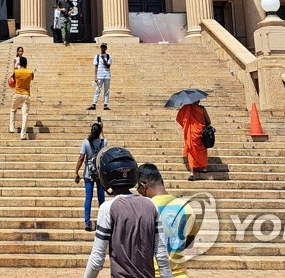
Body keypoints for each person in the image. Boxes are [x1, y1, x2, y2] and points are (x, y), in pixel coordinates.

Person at [84, 146, 172, 278]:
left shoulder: (108, 208)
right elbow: (161, 255)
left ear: (105, 175)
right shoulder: (151, 205)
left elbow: (97, 259)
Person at [137, 162, 199, 278]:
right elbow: (189, 243)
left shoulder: (143, 208)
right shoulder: (186, 207)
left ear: (143, 186)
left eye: (139, 190)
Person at [74, 119, 108, 231]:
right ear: (100, 131)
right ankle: (102, 222)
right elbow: (102, 140)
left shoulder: (86, 142)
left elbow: (81, 158)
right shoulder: (104, 142)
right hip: (100, 173)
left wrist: (76, 172)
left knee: (88, 197)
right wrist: (101, 128)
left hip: (89, 173)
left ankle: (87, 223)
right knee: (101, 198)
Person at [176, 100, 210, 181]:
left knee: (191, 151)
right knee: (202, 150)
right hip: (201, 133)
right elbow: (209, 121)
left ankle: (191, 172)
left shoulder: (187, 108)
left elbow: (179, 118)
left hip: (191, 133)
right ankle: (204, 167)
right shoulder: (202, 109)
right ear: (198, 101)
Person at [9, 55, 34, 140]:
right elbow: (32, 78)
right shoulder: (30, 72)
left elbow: (12, 80)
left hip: (17, 93)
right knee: (25, 115)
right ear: (26, 64)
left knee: (13, 110)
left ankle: (12, 128)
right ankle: (23, 135)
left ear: (19, 64)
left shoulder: (16, 72)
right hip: (26, 94)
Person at [89, 42, 112, 111]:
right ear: (100, 48)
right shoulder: (97, 56)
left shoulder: (109, 56)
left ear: (106, 48)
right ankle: (94, 104)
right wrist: (95, 77)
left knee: (106, 90)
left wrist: (104, 59)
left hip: (107, 75)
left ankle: (105, 105)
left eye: (104, 47)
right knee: (97, 90)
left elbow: (108, 66)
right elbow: (96, 67)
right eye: (102, 47)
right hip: (100, 75)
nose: (103, 48)